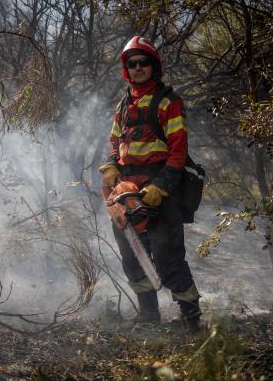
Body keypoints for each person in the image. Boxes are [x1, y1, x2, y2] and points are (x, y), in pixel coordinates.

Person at [99, 36, 201, 330]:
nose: (138, 68)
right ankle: (148, 316)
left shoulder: (168, 102)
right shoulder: (124, 104)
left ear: (153, 65)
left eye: (144, 62)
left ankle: (191, 319)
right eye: (133, 64)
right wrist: (110, 163)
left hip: (159, 192)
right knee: (132, 257)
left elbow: (178, 152)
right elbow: (116, 141)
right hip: (127, 193)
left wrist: (161, 186)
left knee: (168, 258)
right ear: (126, 69)